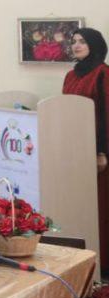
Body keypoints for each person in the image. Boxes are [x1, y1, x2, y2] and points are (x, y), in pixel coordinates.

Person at [63, 28, 109, 267]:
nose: (77, 45)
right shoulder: (71, 75)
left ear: (95, 45)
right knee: (78, 205)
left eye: (82, 41)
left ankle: (103, 262)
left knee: (100, 208)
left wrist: (102, 152)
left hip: (98, 154)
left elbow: (106, 115)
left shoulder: (103, 73)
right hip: (74, 151)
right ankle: (79, 260)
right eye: (74, 41)